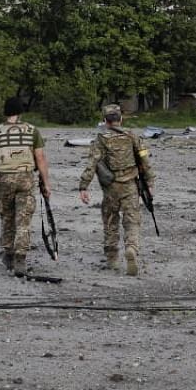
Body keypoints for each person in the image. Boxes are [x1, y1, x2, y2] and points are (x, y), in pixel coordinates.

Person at [78, 104, 155, 276]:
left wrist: (84, 186)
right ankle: (132, 248)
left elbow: (92, 163)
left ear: (105, 121)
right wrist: (150, 180)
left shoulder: (100, 139)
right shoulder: (132, 136)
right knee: (132, 220)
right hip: (130, 185)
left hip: (111, 187)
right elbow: (144, 159)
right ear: (121, 119)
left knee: (110, 221)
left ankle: (112, 258)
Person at [0, 97, 49, 277]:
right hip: (26, 178)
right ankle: (20, 257)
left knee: (7, 216)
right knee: (23, 218)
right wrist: (46, 183)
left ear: (5, 112)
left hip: (4, 178)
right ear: (20, 112)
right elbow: (40, 158)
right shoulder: (32, 131)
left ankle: (8, 254)